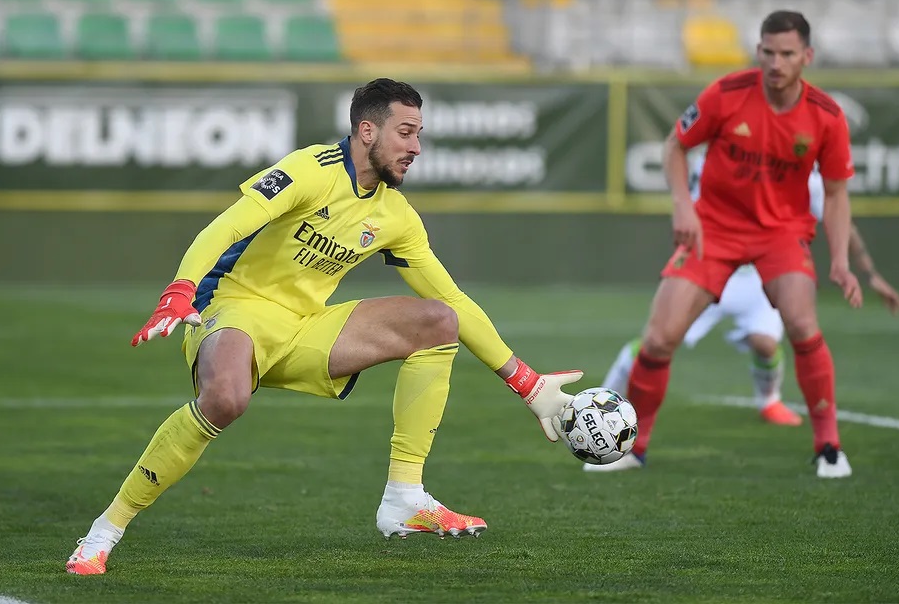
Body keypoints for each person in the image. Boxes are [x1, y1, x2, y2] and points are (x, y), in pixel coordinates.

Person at [66, 78, 583, 575]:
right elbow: (227, 226)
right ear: (367, 132)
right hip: (235, 308)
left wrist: (527, 383)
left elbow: (454, 299)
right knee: (225, 400)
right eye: (406, 132)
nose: (416, 147)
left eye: (419, 134)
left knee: (437, 320)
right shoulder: (310, 170)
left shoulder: (396, 216)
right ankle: (103, 533)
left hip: (306, 328)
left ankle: (404, 496)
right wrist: (179, 290)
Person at [586, 11, 863, 479]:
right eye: (768, 52)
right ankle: (634, 449)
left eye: (788, 54)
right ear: (759, 51)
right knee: (657, 339)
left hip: (782, 233)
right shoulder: (727, 93)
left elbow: (835, 194)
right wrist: (683, 205)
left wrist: (840, 260)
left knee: (801, 325)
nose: (776, 62)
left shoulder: (827, 117)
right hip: (713, 227)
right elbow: (675, 146)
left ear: (807, 57)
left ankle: (829, 448)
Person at [594, 156, 899, 447]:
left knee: (765, 343)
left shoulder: (806, 177)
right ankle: (601, 401)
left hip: (759, 276)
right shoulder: (719, 161)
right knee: (656, 342)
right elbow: (691, 197)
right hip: (710, 266)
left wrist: (869, 273)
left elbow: (842, 223)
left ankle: (769, 401)